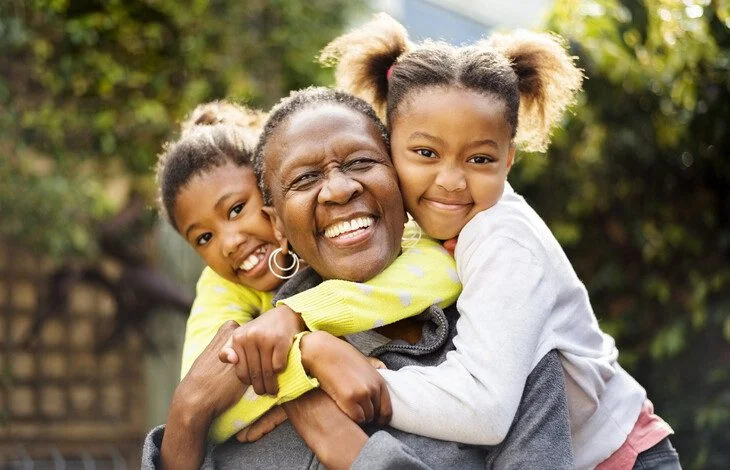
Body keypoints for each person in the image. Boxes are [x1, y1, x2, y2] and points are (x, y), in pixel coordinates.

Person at [142, 87, 575, 469]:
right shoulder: (250, 365)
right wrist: (189, 412)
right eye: (305, 178)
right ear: (277, 224)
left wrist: (354, 453)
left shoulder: (505, 346)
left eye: (362, 162)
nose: (338, 189)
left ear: (401, 181)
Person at [319, 13, 681, 469]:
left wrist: (374, 383)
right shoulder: (419, 229)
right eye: (426, 153)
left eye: (480, 158)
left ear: (508, 160)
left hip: (622, 459)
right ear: (388, 146)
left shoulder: (502, 239)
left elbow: (485, 409)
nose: (451, 181)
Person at [154, 100, 460, 443]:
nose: (228, 243)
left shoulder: (378, 233)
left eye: (238, 209)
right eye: (204, 237)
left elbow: (443, 271)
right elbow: (203, 393)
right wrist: (307, 366)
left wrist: (297, 317)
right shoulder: (221, 286)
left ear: (273, 190)